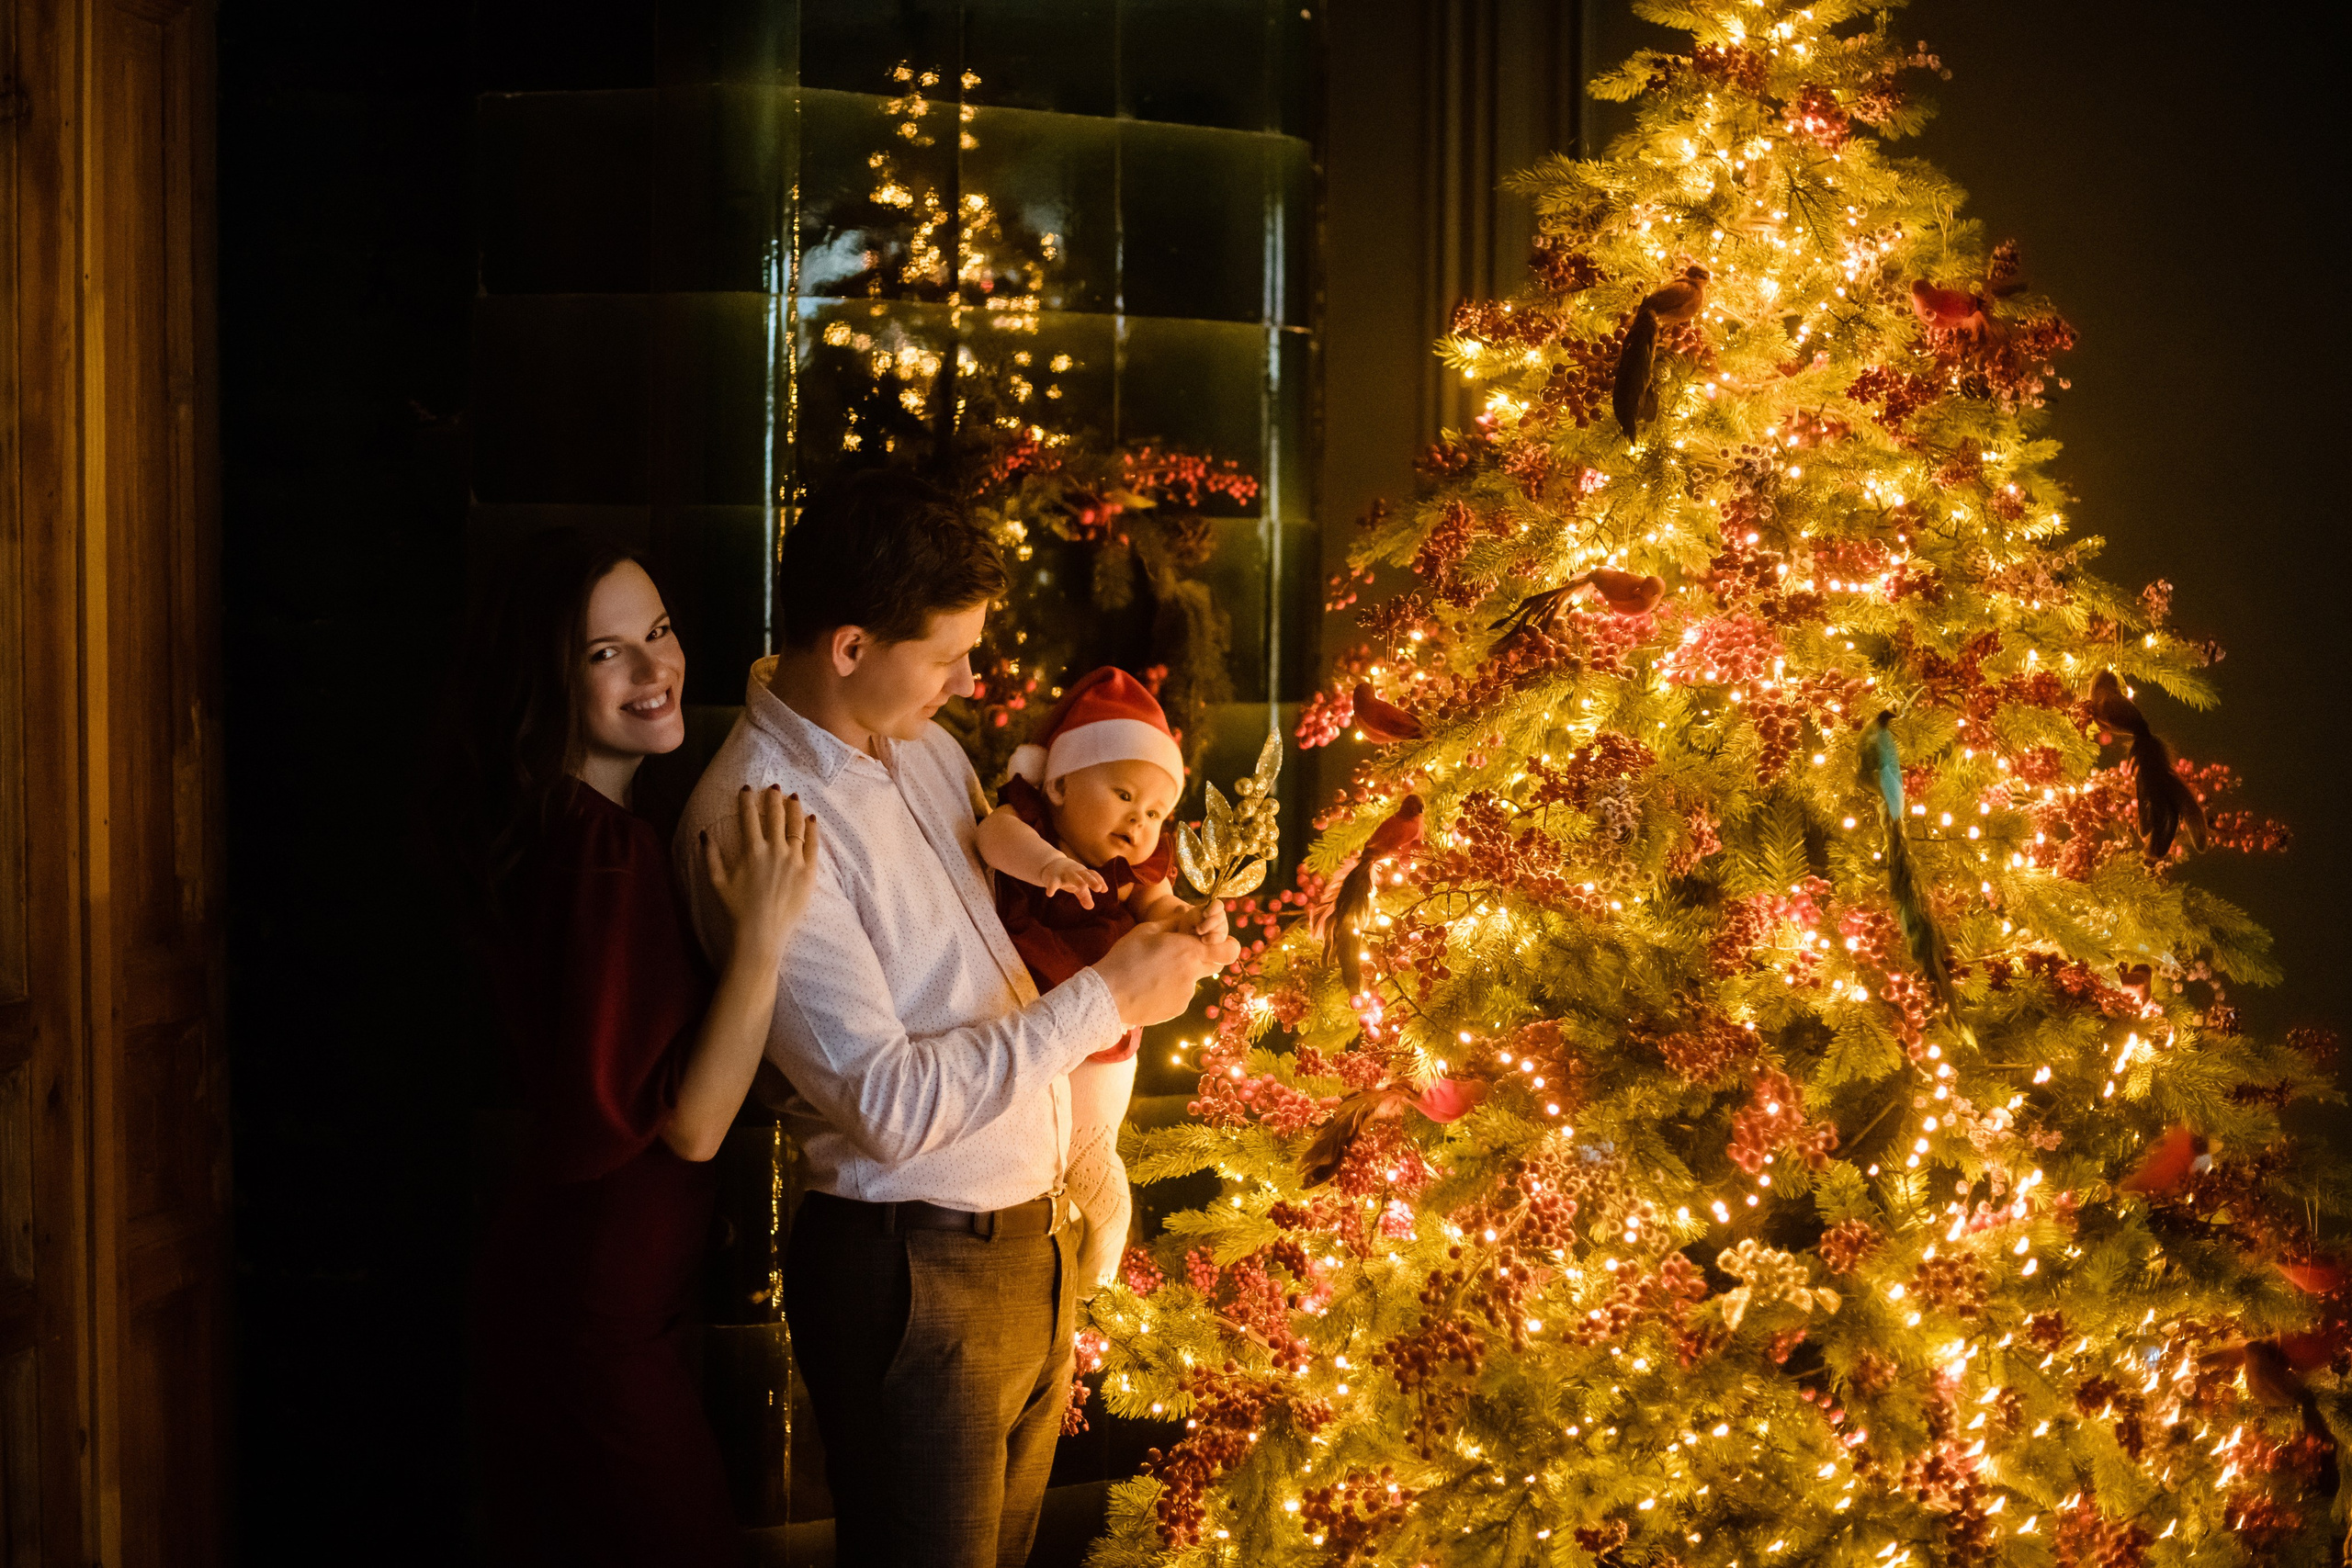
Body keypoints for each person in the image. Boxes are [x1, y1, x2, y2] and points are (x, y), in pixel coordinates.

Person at [673, 468, 1238, 1568]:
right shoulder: (761, 820)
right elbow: (884, 1106)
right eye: (948, 656)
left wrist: (1151, 920)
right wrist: (1107, 999)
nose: (970, 682)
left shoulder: (926, 751)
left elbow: (1015, 919)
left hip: (1030, 1249)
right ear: (850, 647)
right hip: (912, 1275)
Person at [434, 531, 821, 1568]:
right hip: (588, 1318)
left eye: (659, 631)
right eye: (607, 652)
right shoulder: (601, 852)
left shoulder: (574, 828)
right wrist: (764, 935)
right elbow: (690, 1127)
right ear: (546, 677)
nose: (657, 668)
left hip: (578, 1299)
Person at [975, 665, 1209, 1302]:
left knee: (1090, 1146)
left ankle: (1099, 1267)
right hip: (1037, 1016)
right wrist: (1049, 865)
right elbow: (992, 837)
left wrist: (1194, 921)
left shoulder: (1131, 869)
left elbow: (1162, 908)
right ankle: (1090, 1248)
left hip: (1107, 1029)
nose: (1140, 820)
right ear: (1059, 783)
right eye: (1124, 794)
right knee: (1059, 1154)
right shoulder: (1027, 823)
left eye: (1156, 811)